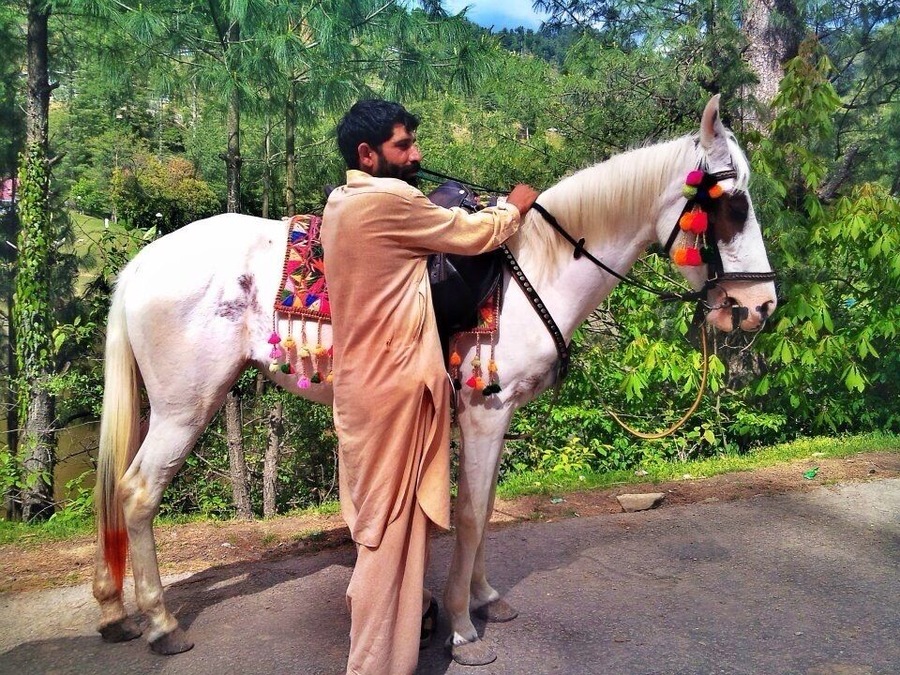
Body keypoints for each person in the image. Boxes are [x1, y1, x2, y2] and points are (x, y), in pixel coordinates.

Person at [321, 99, 538, 675]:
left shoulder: (339, 201)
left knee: (377, 528)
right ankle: (372, 664)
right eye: (403, 146)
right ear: (368, 155)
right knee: (390, 538)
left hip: (362, 389)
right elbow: (470, 235)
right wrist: (515, 208)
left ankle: (394, 620)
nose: (417, 155)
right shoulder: (389, 200)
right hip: (395, 392)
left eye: (415, 142)